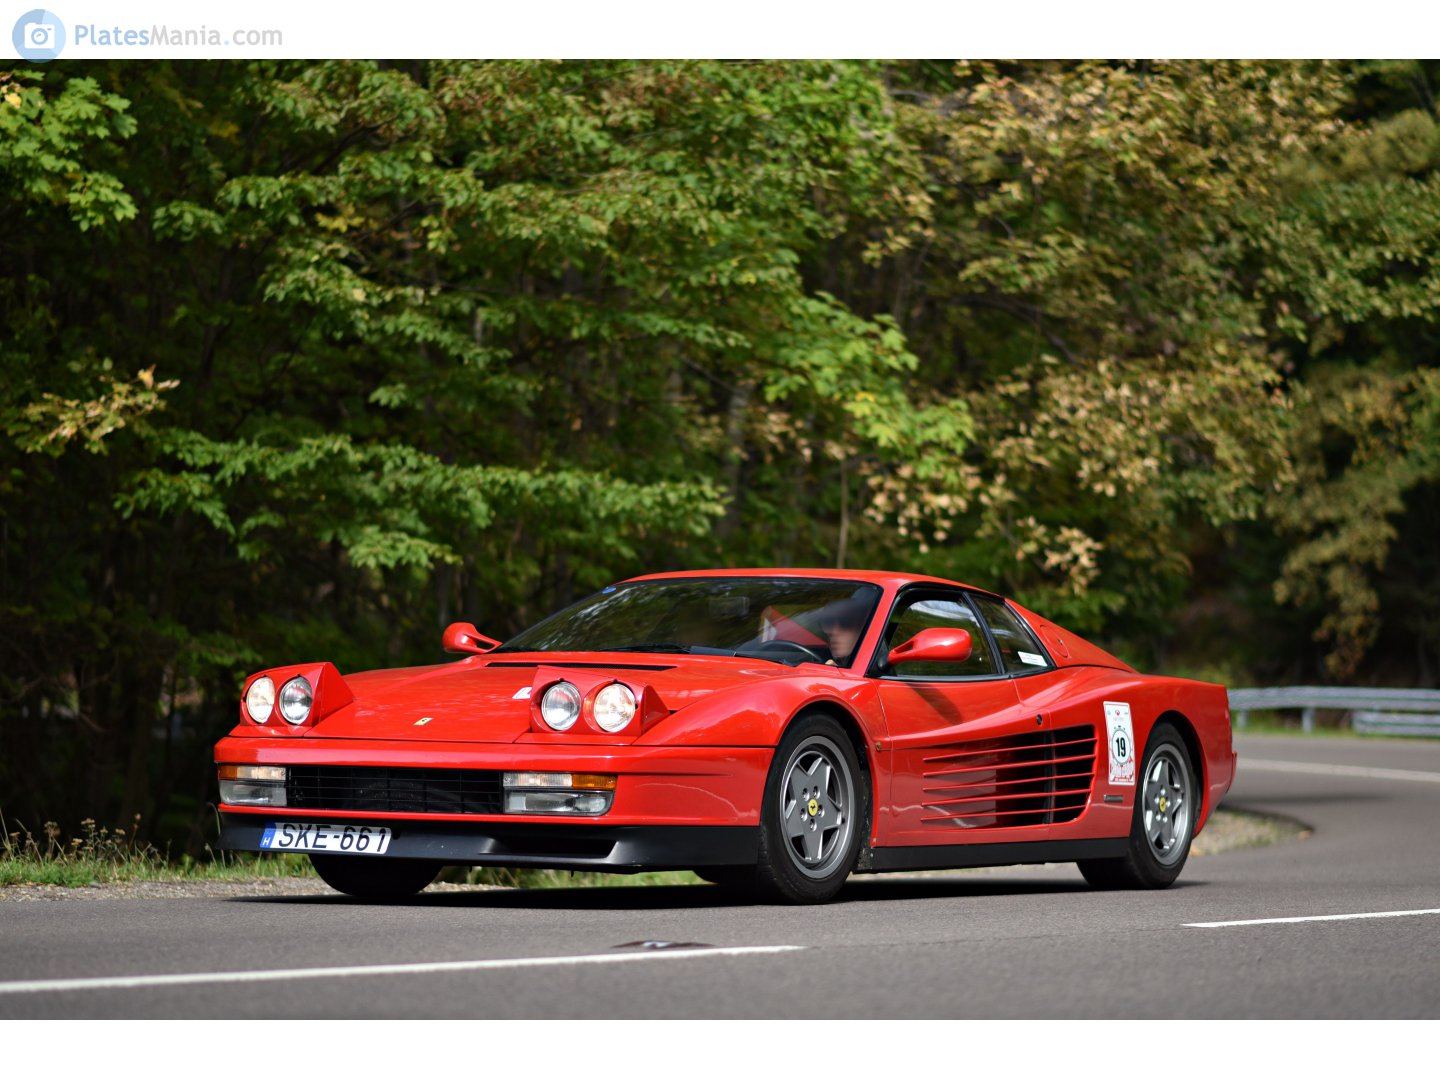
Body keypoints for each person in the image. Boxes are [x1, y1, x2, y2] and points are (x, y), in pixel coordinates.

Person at [817, 595, 868, 667]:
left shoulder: (879, 667)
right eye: (828, 622)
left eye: (846, 623)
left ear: (864, 629)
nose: (834, 631)